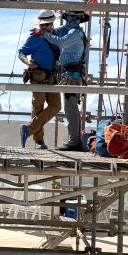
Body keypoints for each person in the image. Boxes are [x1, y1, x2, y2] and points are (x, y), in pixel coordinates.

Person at [18, 10, 61, 149]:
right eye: (42, 25)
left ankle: (28, 129)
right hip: (38, 76)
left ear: (52, 24)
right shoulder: (34, 38)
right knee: (38, 107)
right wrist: (28, 63)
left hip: (53, 76)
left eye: (47, 25)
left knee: (56, 106)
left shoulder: (57, 36)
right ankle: (39, 140)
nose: (44, 27)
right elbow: (21, 53)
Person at [53, 10, 90, 151]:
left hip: (72, 76)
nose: (68, 20)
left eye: (69, 17)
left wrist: (44, 34)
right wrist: (49, 30)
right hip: (71, 75)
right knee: (71, 109)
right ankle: (75, 140)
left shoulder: (74, 33)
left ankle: (74, 142)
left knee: (71, 109)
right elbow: (59, 31)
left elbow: (61, 42)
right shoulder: (73, 32)